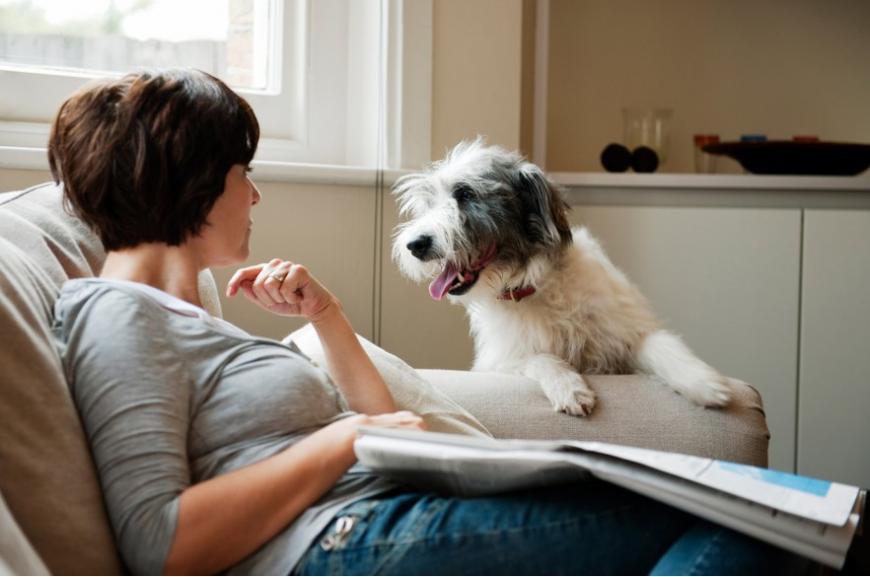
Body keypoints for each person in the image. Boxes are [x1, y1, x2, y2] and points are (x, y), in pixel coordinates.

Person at [49, 69, 811, 575]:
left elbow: (388, 419)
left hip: (382, 512)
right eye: (243, 177)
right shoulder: (117, 316)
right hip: (338, 544)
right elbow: (158, 541)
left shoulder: (192, 313)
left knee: (756, 512)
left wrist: (328, 316)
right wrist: (342, 439)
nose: (255, 200)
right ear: (189, 184)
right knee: (760, 519)